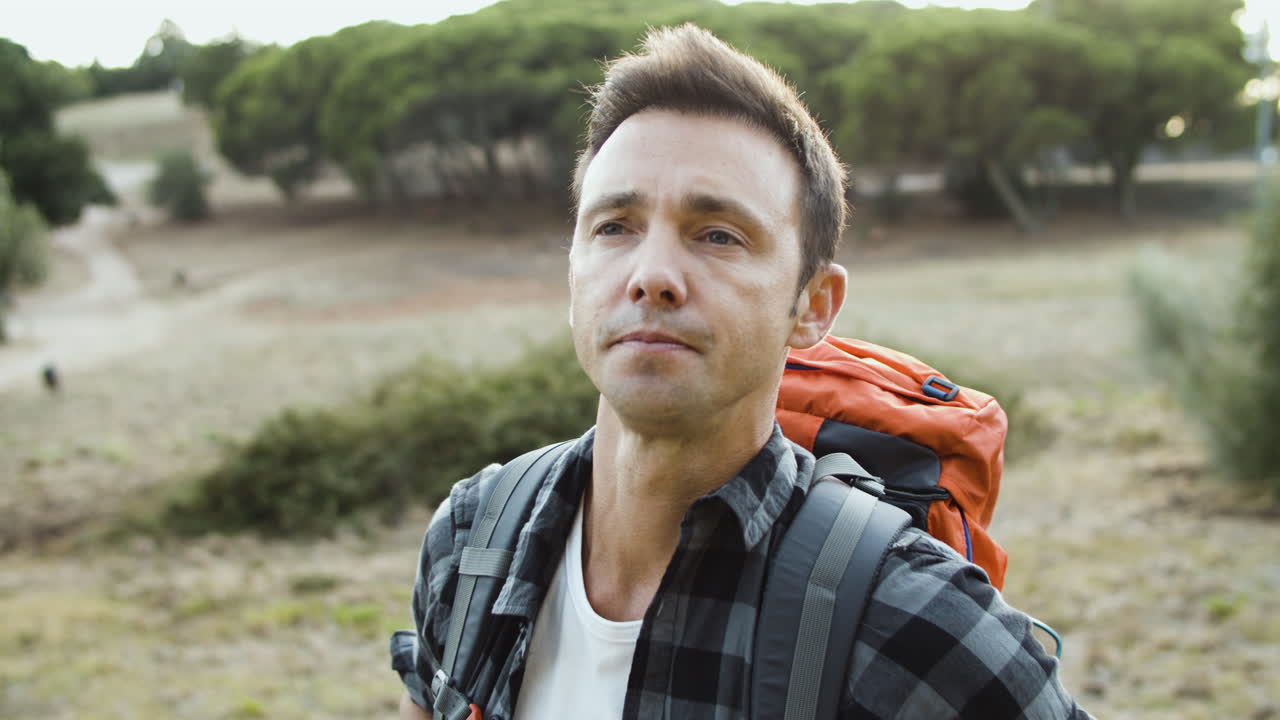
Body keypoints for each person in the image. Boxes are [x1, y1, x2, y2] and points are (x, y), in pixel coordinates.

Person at [393, 24, 1090, 719]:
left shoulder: (913, 621)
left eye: (718, 235)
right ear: (572, 266)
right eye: (614, 226)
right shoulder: (473, 537)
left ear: (813, 307)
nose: (652, 275)